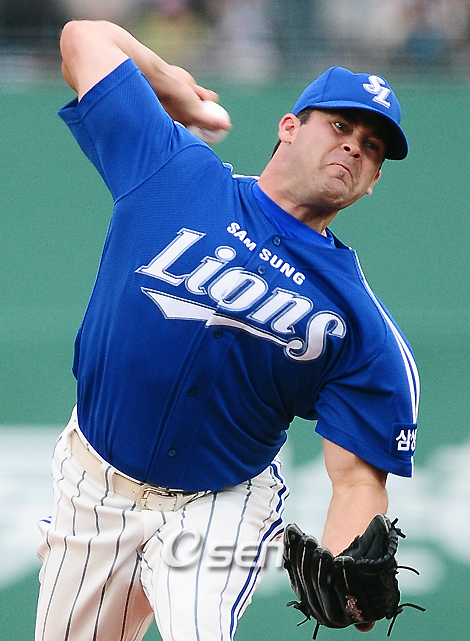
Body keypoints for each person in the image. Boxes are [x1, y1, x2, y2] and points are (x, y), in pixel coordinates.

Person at [35, 19, 419, 641]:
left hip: (218, 505)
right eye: (340, 127)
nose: (354, 147)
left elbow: (356, 477)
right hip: (94, 488)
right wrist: (171, 83)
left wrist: (349, 568)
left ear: (373, 181)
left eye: (371, 146)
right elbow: (83, 39)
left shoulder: (356, 321)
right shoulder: (175, 172)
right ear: (289, 127)